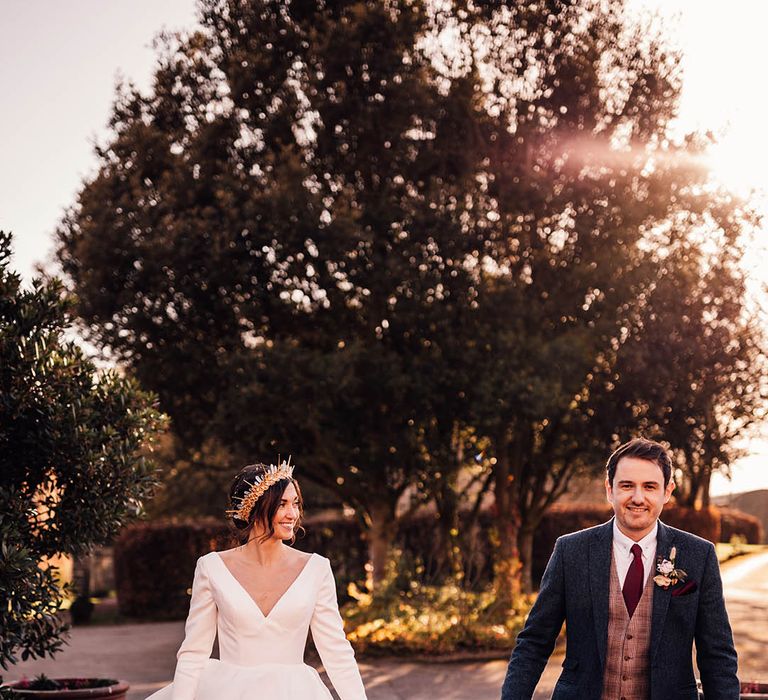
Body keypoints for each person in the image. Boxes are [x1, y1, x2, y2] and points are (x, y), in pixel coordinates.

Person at [500, 437, 739, 700]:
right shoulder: (571, 551)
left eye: (649, 486)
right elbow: (534, 642)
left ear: (667, 491)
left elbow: (717, 654)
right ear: (609, 489)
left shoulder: (698, 555)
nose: (638, 497)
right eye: (627, 485)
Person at [146, 459, 368, 700]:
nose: (292, 514)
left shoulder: (316, 569)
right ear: (253, 508)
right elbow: (193, 653)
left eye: (295, 503)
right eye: (282, 504)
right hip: (227, 692)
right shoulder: (212, 568)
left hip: (296, 692)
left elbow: (337, 652)